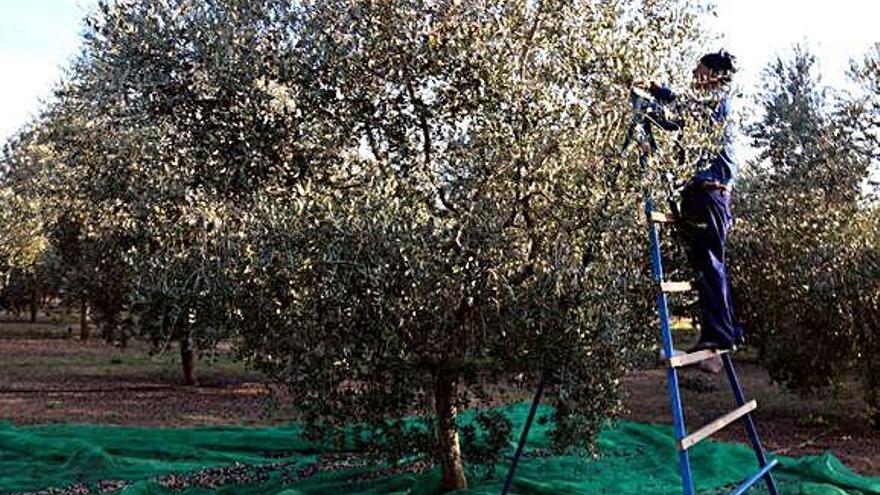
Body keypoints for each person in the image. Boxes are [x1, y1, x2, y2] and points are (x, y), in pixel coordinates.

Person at [640, 50, 742, 358]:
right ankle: (724, 334)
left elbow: (679, 106)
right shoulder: (702, 108)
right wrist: (646, 111)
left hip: (711, 193)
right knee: (707, 265)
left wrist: (654, 89)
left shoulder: (714, 101)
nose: (693, 76)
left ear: (713, 75)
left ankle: (721, 338)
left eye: (698, 71)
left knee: (710, 264)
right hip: (700, 195)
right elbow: (671, 121)